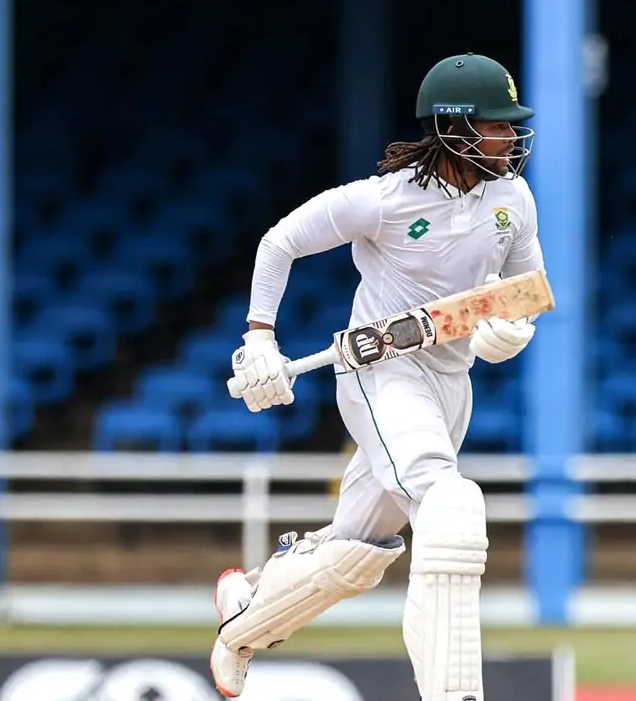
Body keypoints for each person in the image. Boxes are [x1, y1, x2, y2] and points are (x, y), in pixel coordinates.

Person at [210, 52, 545, 699]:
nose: (511, 137)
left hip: (451, 384)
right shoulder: (385, 201)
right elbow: (280, 241)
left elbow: (523, 293)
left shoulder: (514, 198)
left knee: (357, 553)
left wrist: (509, 333)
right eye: (497, 124)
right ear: (453, 129)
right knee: (448, 506)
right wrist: (258, 336)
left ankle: (242, 616)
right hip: (381, 375)